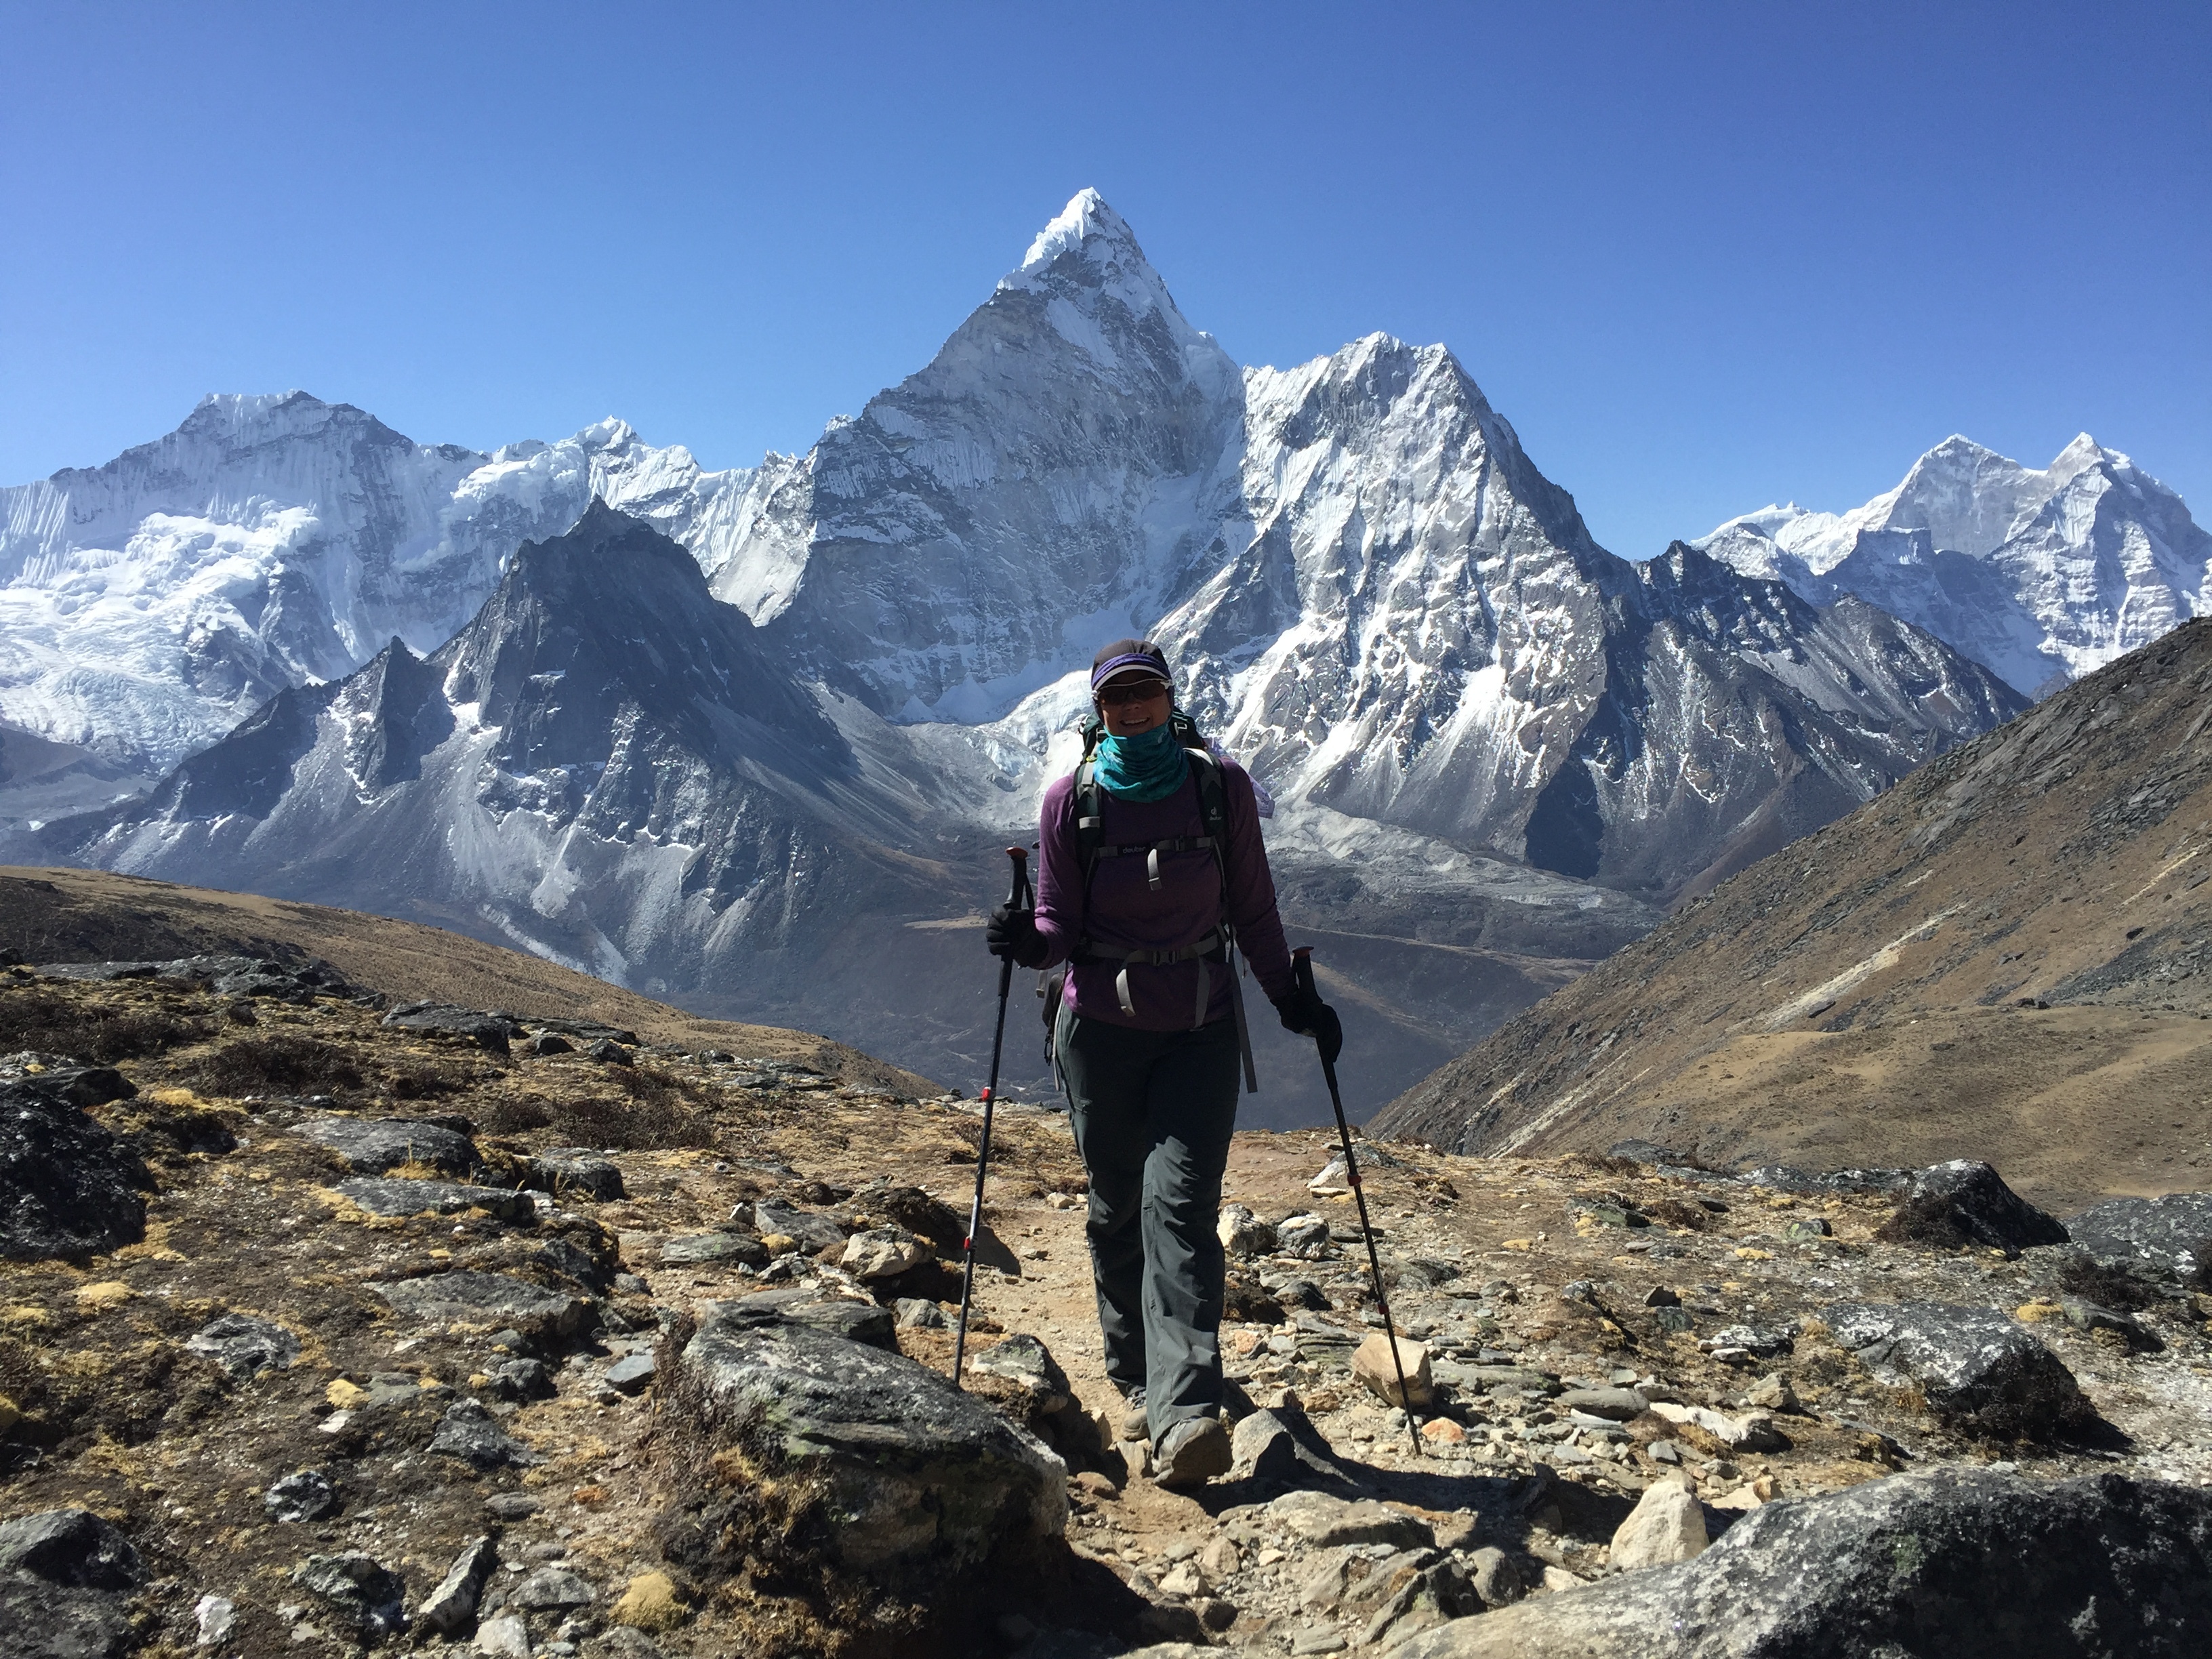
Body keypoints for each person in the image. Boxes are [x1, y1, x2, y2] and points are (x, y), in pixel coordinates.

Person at [987, 639, 1341, 1487]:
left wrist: (1291, 998)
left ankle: (1184, 1411)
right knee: (1115, 1206)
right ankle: (1137, 1375)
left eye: (1146, 692)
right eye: (1119, 697)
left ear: (1170, 697)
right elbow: (1057, 927)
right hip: (1098, 1031)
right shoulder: (1071, 802)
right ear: (1099, 709)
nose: (1134, 707)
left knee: (1178, 1208)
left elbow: (1252, 905)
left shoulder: (1219, 787)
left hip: (1199, 1026)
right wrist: (1024, 943)